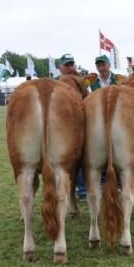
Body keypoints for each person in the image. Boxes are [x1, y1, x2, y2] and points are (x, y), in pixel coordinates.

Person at [58, 53, 87, 200]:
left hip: (79, 124)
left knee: (80, 155)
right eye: (66, 65)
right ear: (60, 67)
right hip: (62, 126)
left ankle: (81, 189)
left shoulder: (82, 80)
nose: (69, 67)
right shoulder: (57, 84)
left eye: (71, 64)